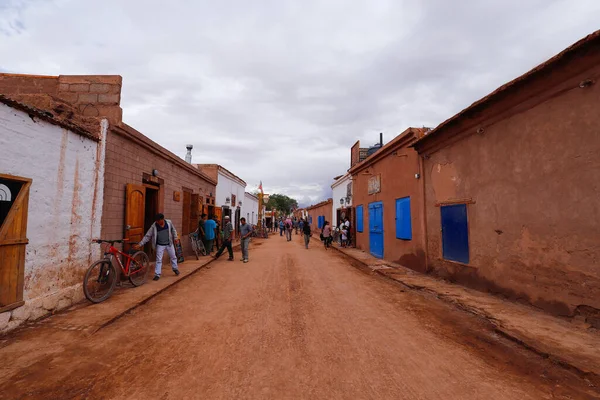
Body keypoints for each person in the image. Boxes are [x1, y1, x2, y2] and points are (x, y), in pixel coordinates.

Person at [135, 213, 180, 281]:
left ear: (162, 219)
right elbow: (148, 236)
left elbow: (173, 230)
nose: (157, 222)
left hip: (169, 244)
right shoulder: (154, 226)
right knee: (158, 259)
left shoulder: (169, 223)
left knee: (173, 256)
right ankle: (157, 274)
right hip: (160, 245)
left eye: (158, 220)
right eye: (156, 221)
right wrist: (140, 244)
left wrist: (175, 238)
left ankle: (175, 269)